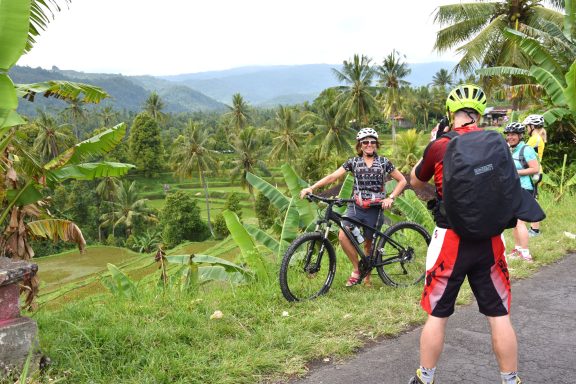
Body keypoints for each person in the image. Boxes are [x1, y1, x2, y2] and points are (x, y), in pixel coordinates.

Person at [408, 85, 521, 384]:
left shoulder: (440, 145)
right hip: (490, 239)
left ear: (451, 114)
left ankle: (425, 377)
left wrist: (433, 147)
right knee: (498, 315)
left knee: (438, 314)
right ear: (479, 114)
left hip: (451, 239)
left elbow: (415, 181)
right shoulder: (496, 142)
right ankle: (511, 380)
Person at [299, 127, 407, 286]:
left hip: (375, 209)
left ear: (376, 144)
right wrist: (312, 188)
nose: (369, 144)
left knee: (368, 244)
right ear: (360, 145)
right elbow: (333, 177)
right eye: (365, 142)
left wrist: (391, 197)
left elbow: (402, 181)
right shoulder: (353, 162)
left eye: (372, 142)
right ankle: (357, 270)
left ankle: (368, 278)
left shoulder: (384, 162)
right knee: (343, 235)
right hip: (355, 207)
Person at [504, 122, 540, 262]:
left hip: (525, 189)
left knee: (520, 222)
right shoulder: (512, 149)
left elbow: (535, 169)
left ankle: (526, 253)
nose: (510, 137)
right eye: (508, 135)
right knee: (514, 222)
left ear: (520, 135)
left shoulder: (526, 149)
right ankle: (518, 249)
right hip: (514, 189)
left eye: (513, 134)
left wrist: (515, 172)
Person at [523, 114, 547, 237]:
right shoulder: (538, 137)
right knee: (533, 199)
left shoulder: (534, 138)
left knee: (532, 200)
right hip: (537, 173)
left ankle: (535, 230)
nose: (527, 129)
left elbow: (523, 151)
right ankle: (534, 228)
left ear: (532, 126)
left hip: (534, 173)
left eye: (527, 126)